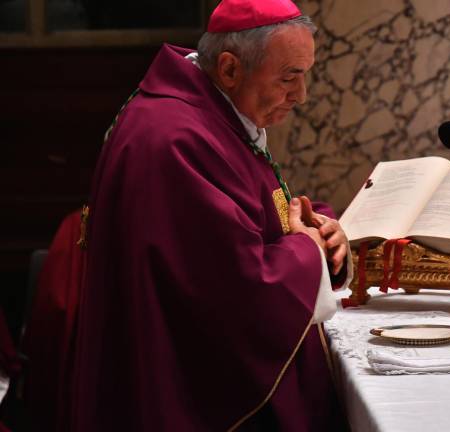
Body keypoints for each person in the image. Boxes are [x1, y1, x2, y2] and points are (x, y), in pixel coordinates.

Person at [68, 1, 352, 430]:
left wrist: (320, 233)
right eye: (289, 76)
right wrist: (306, 251)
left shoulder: (208, 113)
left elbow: (249, 218)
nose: (301, 95)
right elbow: (232, 290)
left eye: (304, 74)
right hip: (181, 387)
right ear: (230, 68)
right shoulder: (173, 137)